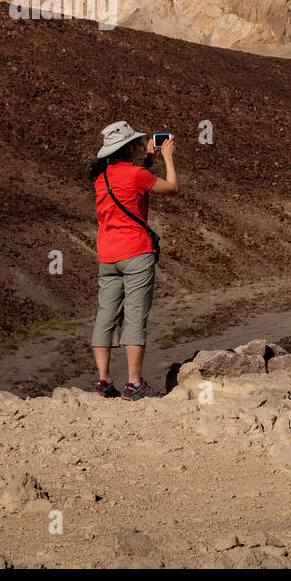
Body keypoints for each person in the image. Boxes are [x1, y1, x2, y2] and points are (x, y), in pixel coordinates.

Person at [87, 121, 178, 400]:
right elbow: (171, 188)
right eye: (136, 144)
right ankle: (135, 384)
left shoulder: (101, 177)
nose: (140, 147)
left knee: (106, 316)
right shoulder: (136, 174)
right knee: (135, 316)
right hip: (136, 253)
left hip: (107, 255)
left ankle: (103, 381)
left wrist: (148, 159)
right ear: (127, 148)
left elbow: (130, 184)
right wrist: (167, 158)